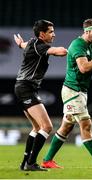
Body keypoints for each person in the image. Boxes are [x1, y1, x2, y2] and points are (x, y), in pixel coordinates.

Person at [41, 18, 92, 170]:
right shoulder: (77, 45)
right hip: (73, 90)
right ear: (86, 31)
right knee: (86, 123)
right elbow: (83, 68)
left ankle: (47, 160)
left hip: (81, 91)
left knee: (66, 128)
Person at [14, 19, 67, 171]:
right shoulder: (40, 46)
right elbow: (59, 51)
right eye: (51, 32)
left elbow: (23, 45)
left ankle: (25, 163)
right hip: (26, 88)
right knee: (47, 126)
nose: (54, 35)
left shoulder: (31, 43)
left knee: (37, 127)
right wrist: (70, 51)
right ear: (42, 34)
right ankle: (31, 163)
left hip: (23, 87)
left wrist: (19, 44)